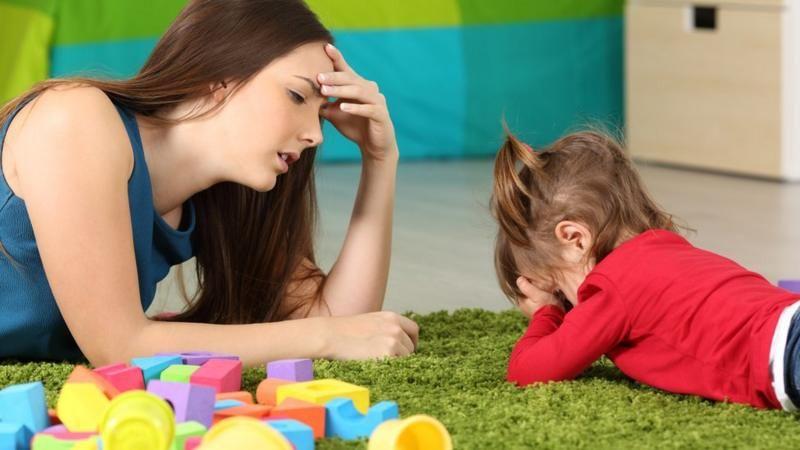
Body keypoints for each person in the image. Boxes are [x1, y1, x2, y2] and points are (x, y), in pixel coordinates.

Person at [0, 0, 418, 367]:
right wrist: (325, 337)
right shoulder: (74, 119)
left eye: (321, 112)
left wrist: (380, 160)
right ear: (217, 79)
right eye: (296, 96)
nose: (316, 135)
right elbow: (119, 346)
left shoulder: (220, 198)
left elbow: (342, 321)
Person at [491, 130, 800, 410]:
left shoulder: (610, 288)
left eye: (559, 290)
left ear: (575, 239)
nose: (571, 310)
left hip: (785, 353)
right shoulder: (667, 248)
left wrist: (547, 312)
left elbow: (527, 372)